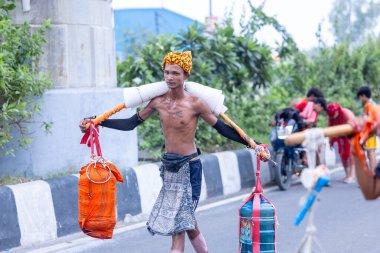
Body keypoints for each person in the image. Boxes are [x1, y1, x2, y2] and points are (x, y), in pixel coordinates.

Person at [80, 51, 269, 253]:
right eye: (167, 73)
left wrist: (253, 144)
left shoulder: (196, 104)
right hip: (170, 169)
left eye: (175, 73)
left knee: (180, 222)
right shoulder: (157, 102)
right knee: (185, 220)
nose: (170, 77)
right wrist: (98, 121)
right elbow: (130, 124)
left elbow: (222, 128)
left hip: (190, 168)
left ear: (186, 76)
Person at [326, 103, 356, 183]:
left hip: (350, 135)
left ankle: (351, 176)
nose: (332, 117)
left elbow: (352, 125)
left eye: (333, 115)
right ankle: (347, 175)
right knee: (342, 155)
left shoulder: (346, 113)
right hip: (340, 136)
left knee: (350, 155)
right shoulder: (330, 116)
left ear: (337, 111)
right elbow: (329, 128)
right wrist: (330, 140)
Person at [357, 86, 377, 172]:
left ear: (364, 96)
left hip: (370, 131)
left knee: (370, 153)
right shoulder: (374, 103)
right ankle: (374, 173)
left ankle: (374, 173)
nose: (360, 99)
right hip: (373, 131)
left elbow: (369, 118)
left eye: (360, 97)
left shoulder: (368, 105)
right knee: (371, 153)